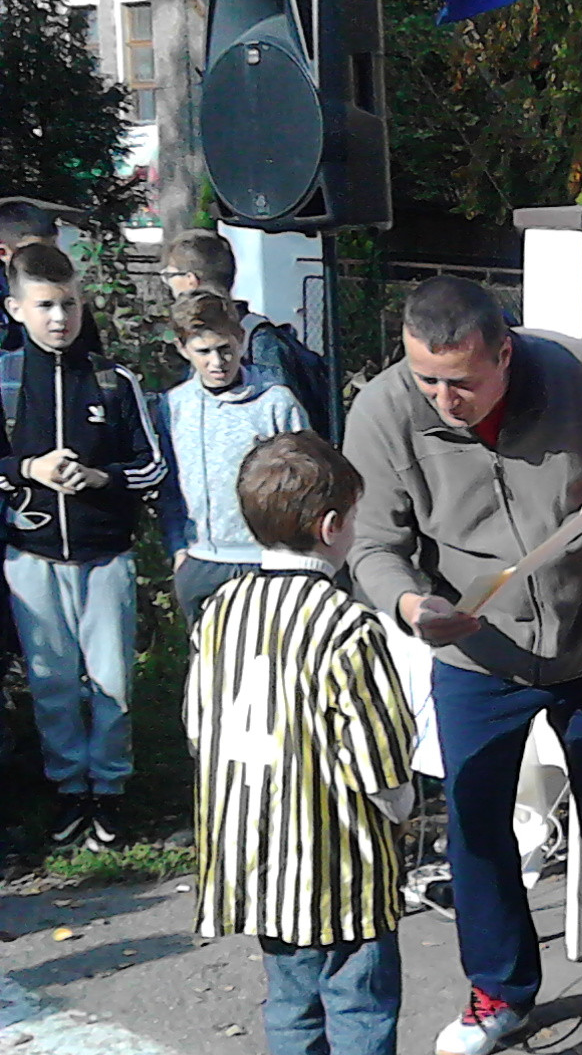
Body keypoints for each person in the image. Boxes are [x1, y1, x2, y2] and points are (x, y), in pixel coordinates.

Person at [344, 276, 582, 1055]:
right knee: (476, 827)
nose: (443, 398)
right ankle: (500, 991)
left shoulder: (574, 370)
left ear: (505, 352)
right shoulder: (383, 412)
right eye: (426, 378)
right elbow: (372, 544)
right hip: (474, 650)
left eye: (461, 380)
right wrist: (410, 604)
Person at [187, 432, 442, 1055]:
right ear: (333, 527)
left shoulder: (220, 609)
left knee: (290, 1002)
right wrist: (403, 807)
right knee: (359, 1003)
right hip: (337, 858)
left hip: (251, 852)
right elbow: (378, 753)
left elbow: (198, 722)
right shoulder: (346, 625)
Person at [0, 242, 164, 851]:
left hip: (105, 555)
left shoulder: (114, 381)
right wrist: (29, 469)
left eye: (68, 304)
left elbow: (152, 466)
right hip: (31, 556)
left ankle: (111, 790)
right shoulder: (4, 380)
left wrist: (101, 478)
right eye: (44, 306)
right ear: (16, 309)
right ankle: (68, 788)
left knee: (112, 681)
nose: (59, 318)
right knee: (52, 683)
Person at [155, 291, 314, 622]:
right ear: (183, 349)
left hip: (266, 560)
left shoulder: (276, 403)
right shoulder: (174, 406)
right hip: (201, 560)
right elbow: (169, 484)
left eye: (224, 349)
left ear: (240, 340)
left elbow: (305, 483)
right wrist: (178, 549)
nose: (217, 362)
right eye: (203, 352)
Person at [161, 229, 334, 442]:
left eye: (169, 276)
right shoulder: (178, 401)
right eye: (203, 352)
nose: (216, 361)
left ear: (191, 280)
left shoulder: (261, 342)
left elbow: (286, 430)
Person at [0, 200, 103, 356]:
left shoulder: (67, 292)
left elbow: (91, 353)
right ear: (3, 252)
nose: (46, 258)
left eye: (52, 248)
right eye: (33, 252)